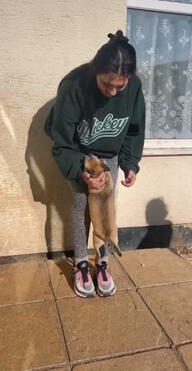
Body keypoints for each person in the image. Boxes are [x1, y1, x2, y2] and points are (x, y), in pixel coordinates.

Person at [49, 30, 145, 298]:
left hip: (110, 155)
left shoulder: (135, 87)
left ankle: (102, 264)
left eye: (120, 86)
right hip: (80, 152)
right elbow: (62, 139)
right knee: (82, 208)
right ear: (96, 72)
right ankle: (81, 263)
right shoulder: (74, 84)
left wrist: (130, 163)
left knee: (105, 209)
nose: (113, 92)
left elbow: (134, 130)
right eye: (106, 84)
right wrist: (81, 167)